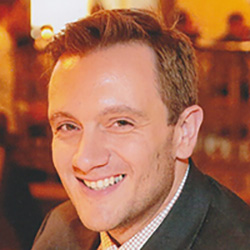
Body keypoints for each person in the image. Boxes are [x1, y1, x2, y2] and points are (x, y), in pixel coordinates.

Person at [32, 9, 250, 249]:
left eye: (121, 123)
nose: (85, 159)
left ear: (184, 132)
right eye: (68, 126)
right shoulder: (60, 231)